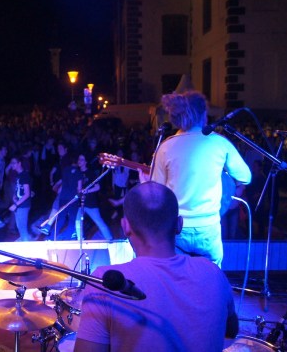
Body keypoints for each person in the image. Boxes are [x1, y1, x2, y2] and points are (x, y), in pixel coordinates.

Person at [74, 182, 238, 352]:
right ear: (179, 224)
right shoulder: (213, 272)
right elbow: (231, 330)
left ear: (125, 226)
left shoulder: (105, 283)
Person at [150, 91, 251, 266]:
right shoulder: (219, 142)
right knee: (210, 277)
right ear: (203, 114)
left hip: (177, 227)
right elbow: (245, 177)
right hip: (208, 226)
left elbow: (156, 190)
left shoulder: (166, 147)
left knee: (179, 276)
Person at [76, 153, 113, 241]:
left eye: (81, 159)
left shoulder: (90, 173)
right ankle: (80, 240)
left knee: (98, 221)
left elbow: (97, 187)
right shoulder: (77, 173)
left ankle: (110, 239)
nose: (79, 161)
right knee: (78, 221)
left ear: (85, 162)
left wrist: (87, 191)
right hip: (81, 203)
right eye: (79, 159)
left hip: (91, 203)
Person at [8, 154, 34, 241]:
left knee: (22, 228)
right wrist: (14, 196)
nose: (12, 164)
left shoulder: (24, 175)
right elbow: (19, 189)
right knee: (20, 227)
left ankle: (26, 245)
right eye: (11, 163)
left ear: (19, 163)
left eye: (14, 163)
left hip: (23, 205)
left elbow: (27, 194)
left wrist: (15, 204)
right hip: (19, 204)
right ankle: (26, 241)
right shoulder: (19, 175)